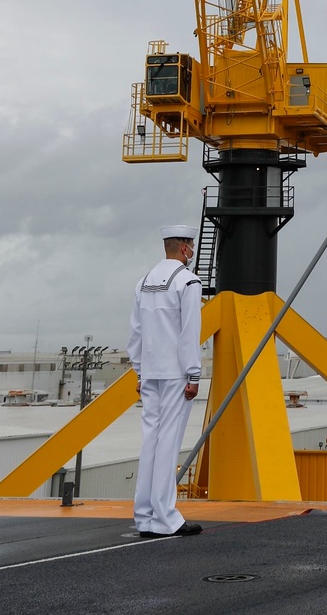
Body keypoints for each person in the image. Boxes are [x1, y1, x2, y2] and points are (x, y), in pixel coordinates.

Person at [128, 223, 204, 538]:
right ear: (185, 247)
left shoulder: (143, 282)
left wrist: (139, 370)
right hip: (175, 372)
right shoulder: (187, 281)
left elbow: (136, 330)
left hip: (151, 371)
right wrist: (194, 373)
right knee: (168, 443)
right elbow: (189, 332)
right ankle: (166, 517)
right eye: (191, 244)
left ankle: (144, 516)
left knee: (151, 442)